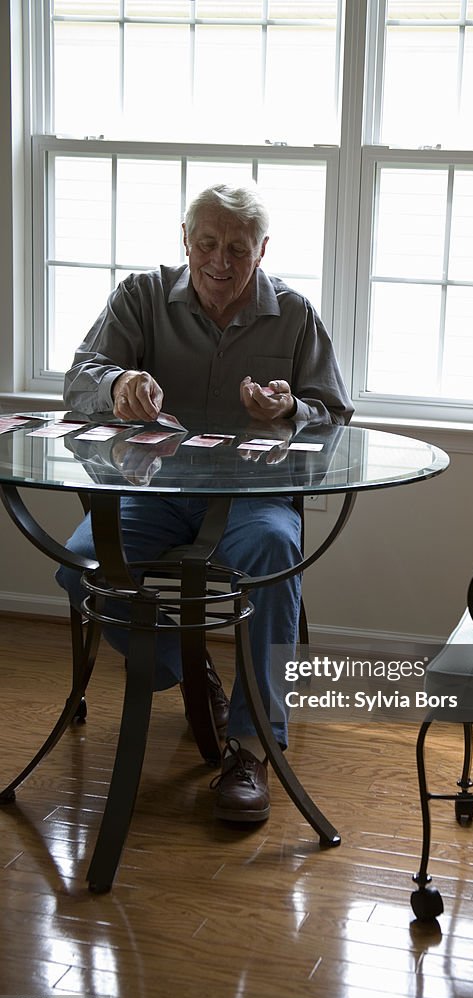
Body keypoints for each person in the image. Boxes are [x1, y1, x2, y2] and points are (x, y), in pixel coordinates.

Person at [56, 182, 354, 824]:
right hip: (153, 491)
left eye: (238, 249)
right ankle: (192, 673)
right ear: (184, 241)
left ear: (263, 250)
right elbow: (78, 382)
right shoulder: (140, 295)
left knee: (274, 550)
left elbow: (336, 416)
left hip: (253, 496)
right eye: (208, 244)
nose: (221, 261)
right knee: (81, 565)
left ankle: (250, 748)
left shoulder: (296, 313)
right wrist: (119, 383)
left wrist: (290, 410)